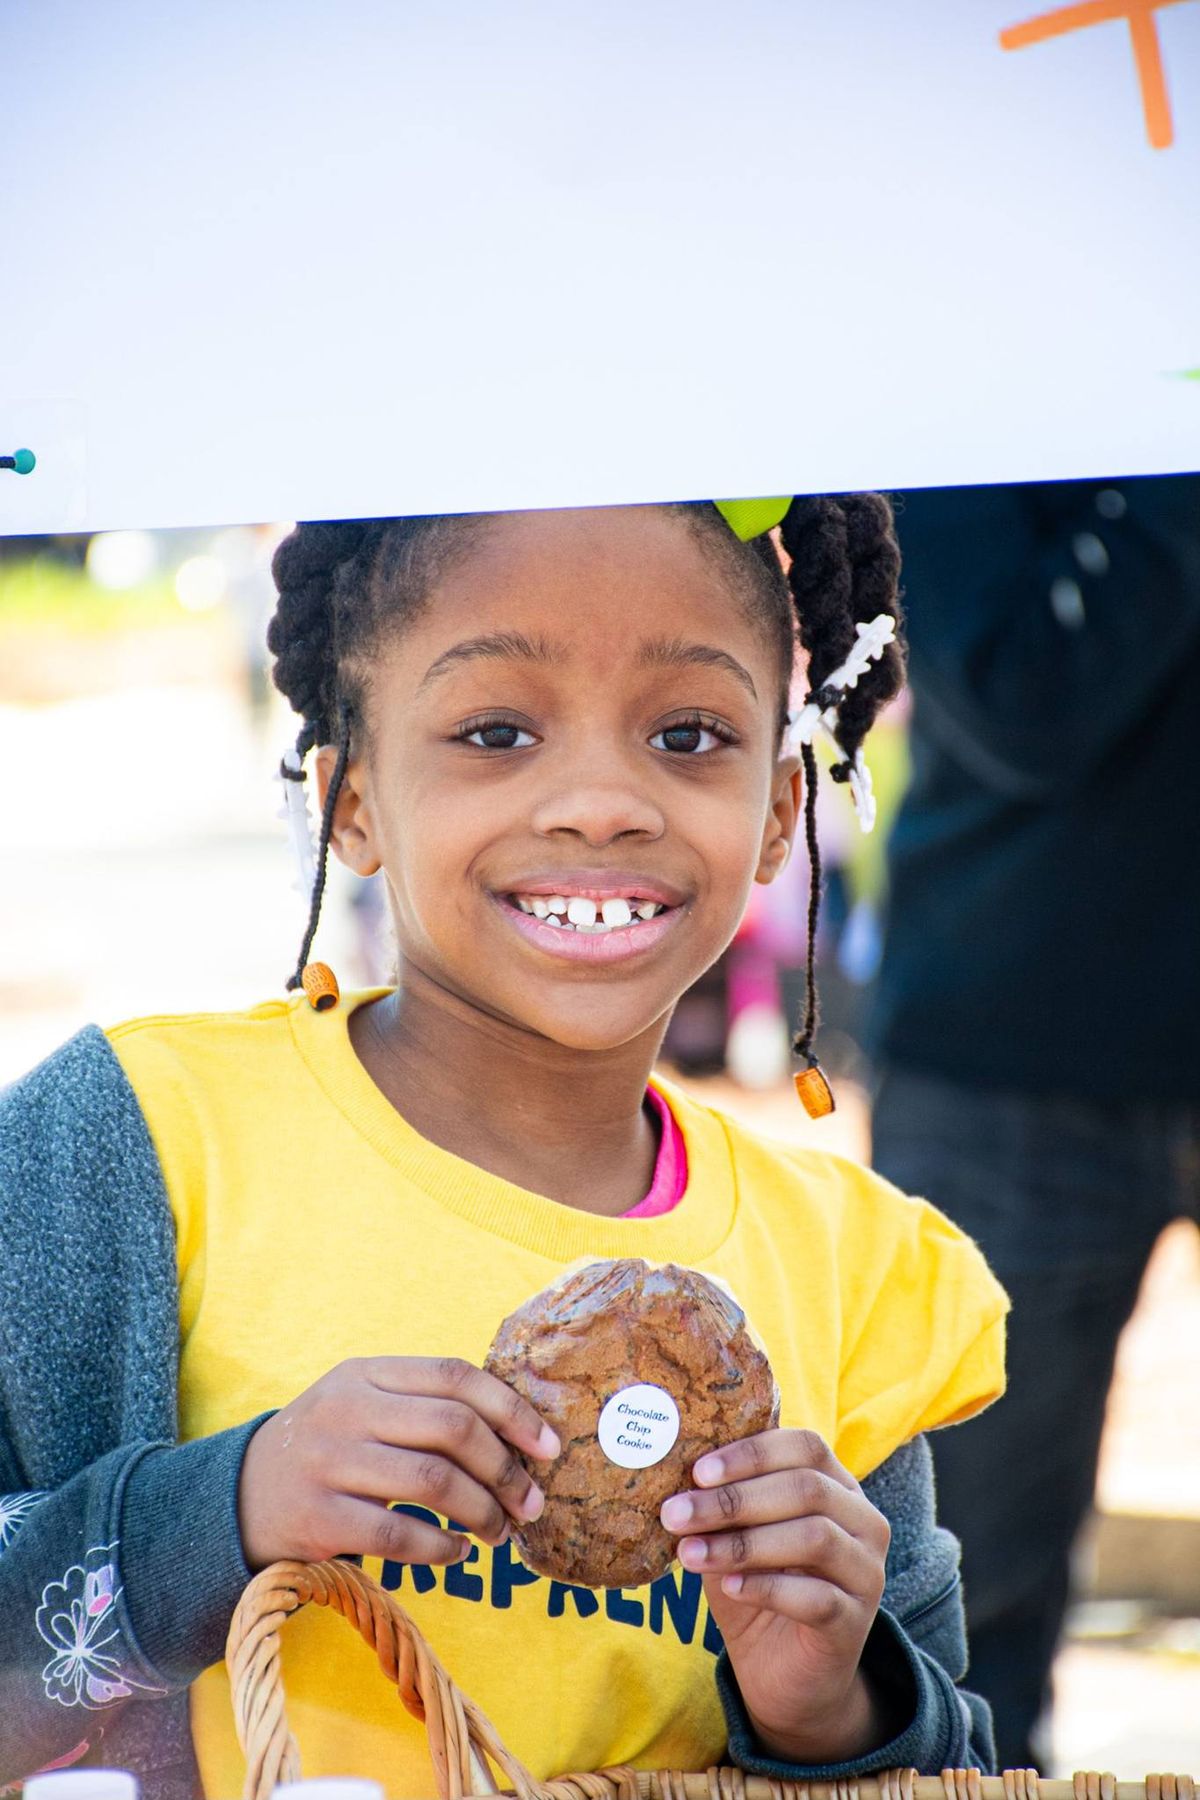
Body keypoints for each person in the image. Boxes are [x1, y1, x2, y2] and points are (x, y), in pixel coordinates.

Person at [1, 498, 1008, 1798]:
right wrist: (226, 1506)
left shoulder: (856, 1274)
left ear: (776, 812)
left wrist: (837, 1700)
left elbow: (959, 1768)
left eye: (688, 735)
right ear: (350, 799)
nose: (600, 804)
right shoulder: (129, 1146)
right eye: (495, 731)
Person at [866, 473, 1200, 1769]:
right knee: (966, 1587)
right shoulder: (1007, 398)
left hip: (1029, 1040)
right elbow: (1023, 695)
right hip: (1010, 1061)